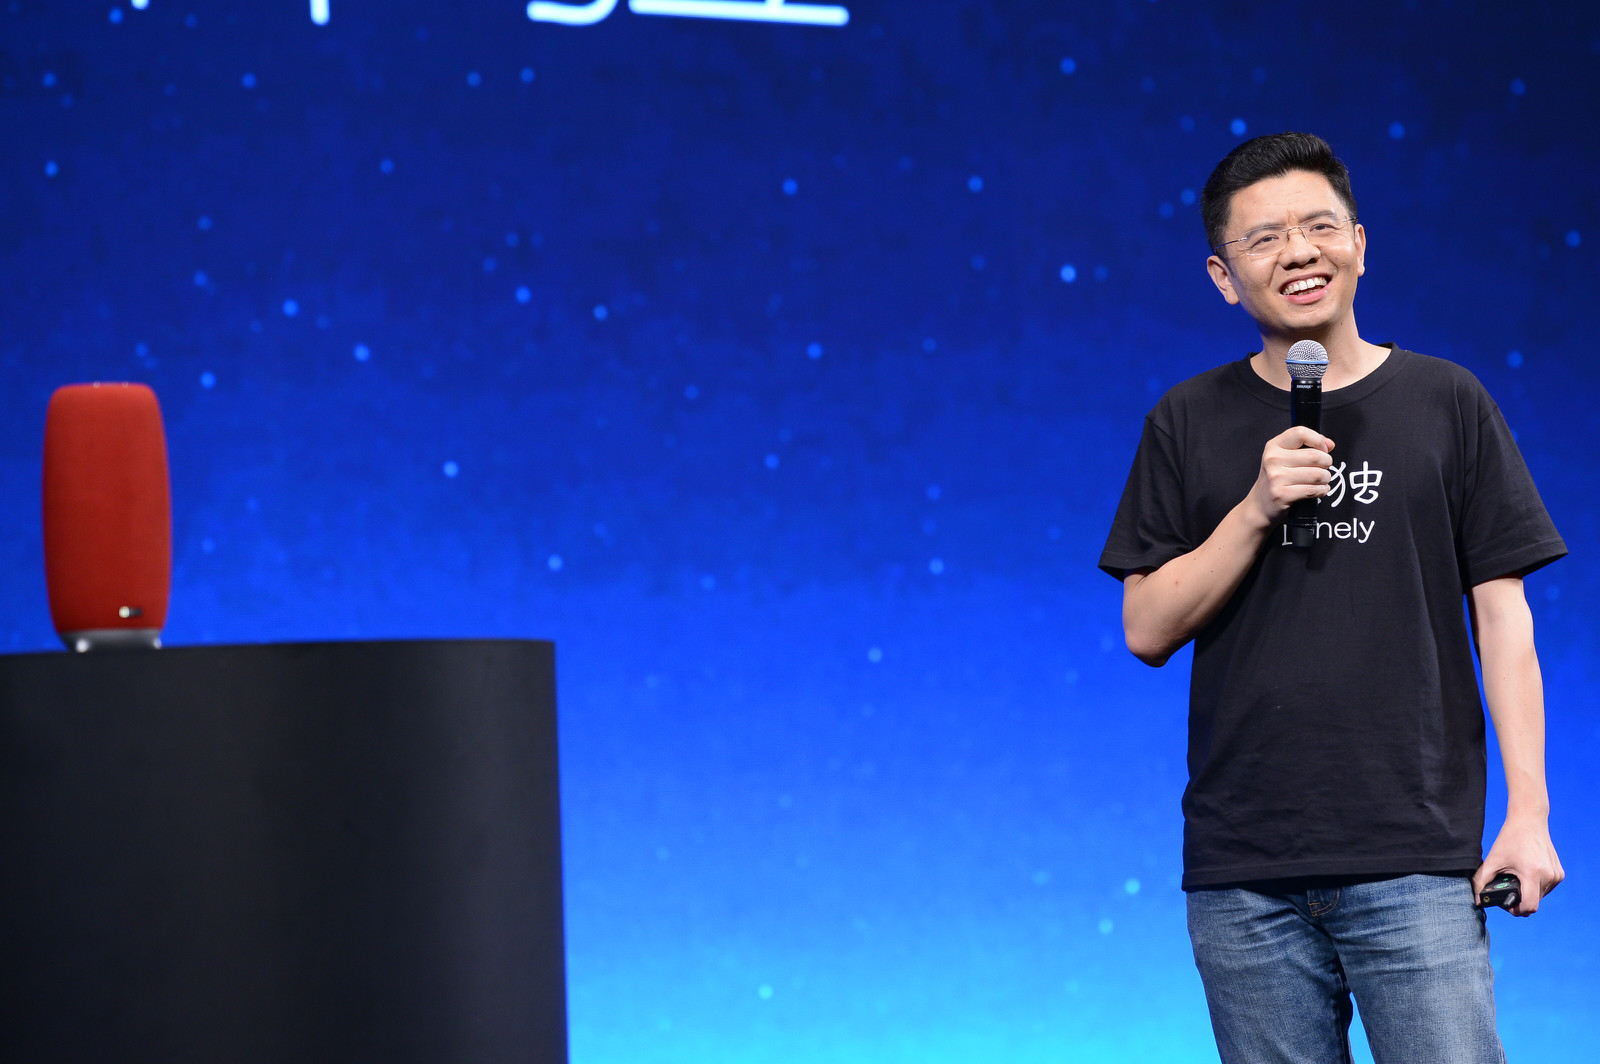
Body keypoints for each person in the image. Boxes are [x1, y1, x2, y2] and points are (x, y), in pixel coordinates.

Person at [1097, 132, 1567, 1063]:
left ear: (1359, 243)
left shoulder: (1446, 401)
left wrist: (1529, 814)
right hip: (1244, 869)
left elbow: (1503, 617)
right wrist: (1254, 508)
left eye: (1319, 227)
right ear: (1224, 277)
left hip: (1416, 855)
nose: (1298, 253)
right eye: (1264, 239)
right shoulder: (1187, 420)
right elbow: (1145, 629)